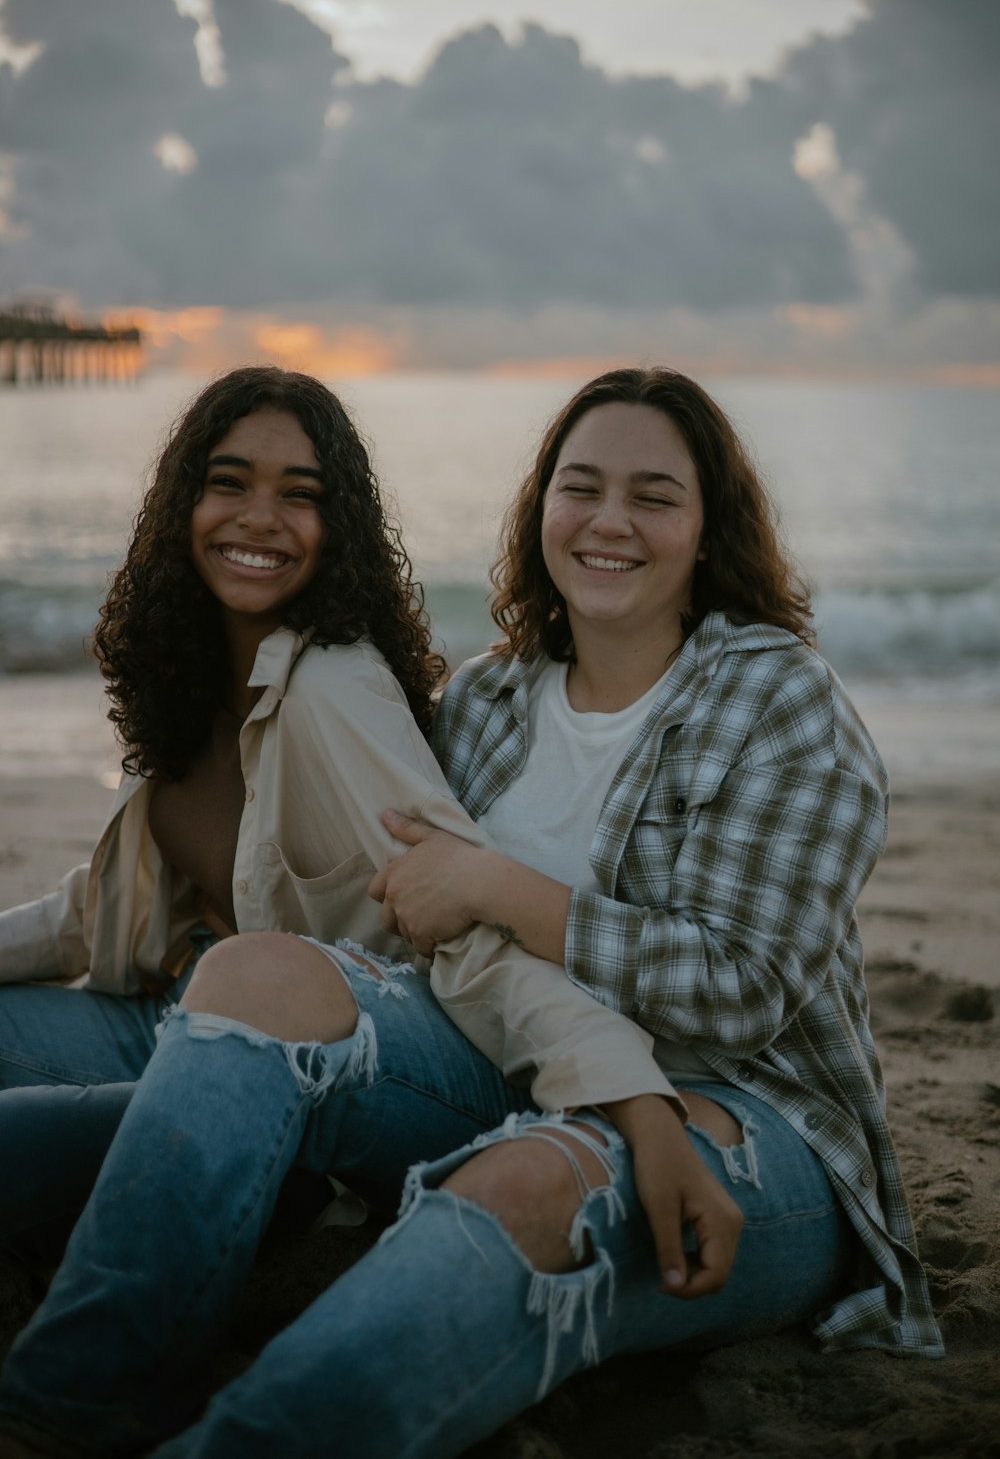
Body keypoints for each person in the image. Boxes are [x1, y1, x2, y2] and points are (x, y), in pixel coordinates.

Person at [0, 368, 941, 1459]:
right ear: (539, 508)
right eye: (579, 486)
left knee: (524, 1183)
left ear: (707, 527)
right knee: (257, 971)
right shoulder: (490, 701)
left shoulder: (776, 700)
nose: (608, 521)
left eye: (654, 495)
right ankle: (67, 1407)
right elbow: (418, 931)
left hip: (740, 1117)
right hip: (514, 1064)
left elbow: (738, 995)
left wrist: (500, 890)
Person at [0, 365, 710, 1260]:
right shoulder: (184, 685)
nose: (260, 517)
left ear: (337, 531)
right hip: (175, 1010)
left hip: (318, 1063)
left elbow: (469, 933)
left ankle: (281, 1198)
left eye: (301, 495)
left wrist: (635, 1105)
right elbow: (94, 914)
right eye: (229, 483)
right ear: (181, 504)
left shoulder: (335, 687)